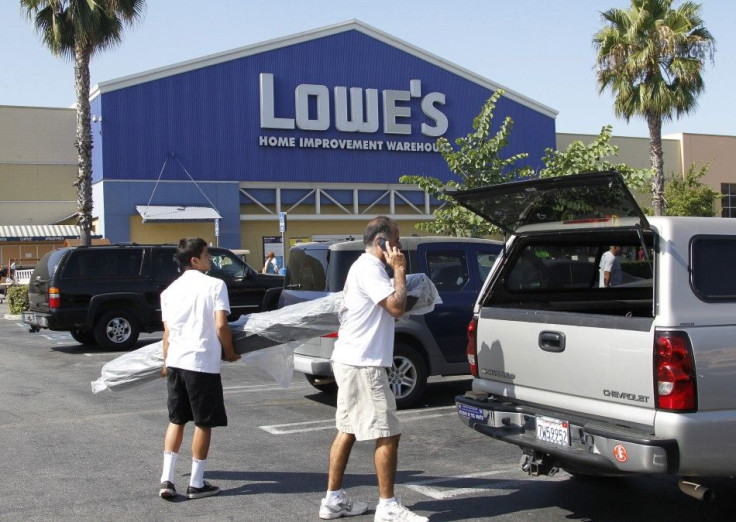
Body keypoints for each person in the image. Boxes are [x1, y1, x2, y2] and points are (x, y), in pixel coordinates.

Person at [319, 216, 428, 522]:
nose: (400, 245)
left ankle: (333, 500)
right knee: (388, 433)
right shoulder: (369, 269)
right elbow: (395, 307)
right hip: (363, 364)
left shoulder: (363, 268)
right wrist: (400, 270)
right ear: (382, 243)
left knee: (348, 429)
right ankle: (388, 506)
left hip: (351, 359)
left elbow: (384, 312)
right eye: (396, 239)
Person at [158, 238, 241, 500]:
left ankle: (167, 480)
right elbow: (221, 326)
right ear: (194, 260)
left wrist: (165, 361)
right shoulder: (215, 285)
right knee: (204, 424)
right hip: (201, 362)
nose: (211, 259)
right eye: (207, 255)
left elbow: (167, 334)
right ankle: (196, 483)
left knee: (176, 420)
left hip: (176, 362)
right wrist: (229, 352)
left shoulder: (169, 291)